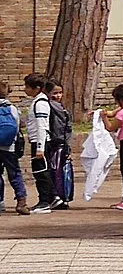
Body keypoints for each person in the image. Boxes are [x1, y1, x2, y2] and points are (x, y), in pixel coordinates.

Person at [24, 75, 56, 212]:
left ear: (37, 88)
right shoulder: (38, 102)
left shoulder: (41, 103)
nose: (25, 90)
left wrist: (39, 148)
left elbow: (42, 126)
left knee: (41, 172)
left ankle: (44, 202)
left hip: (40, 143)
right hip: (38, 142)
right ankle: (50, 198)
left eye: (27, 87)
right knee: (41, 171)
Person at [46, 82, 74, 209]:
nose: (58, 96)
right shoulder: (54, 107)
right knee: (59, 172)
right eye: (55, 93)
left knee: (57, 172)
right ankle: (62, 197)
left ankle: (59, 197)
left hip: (58, 143)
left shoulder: (57, 107)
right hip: (59, 143)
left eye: (60, 93)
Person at [0, 85, 26, 214]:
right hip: (9, 147)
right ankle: (21, 201)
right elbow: (16, 127)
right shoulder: (12, 108)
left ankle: (0, 202)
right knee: (15, 173)